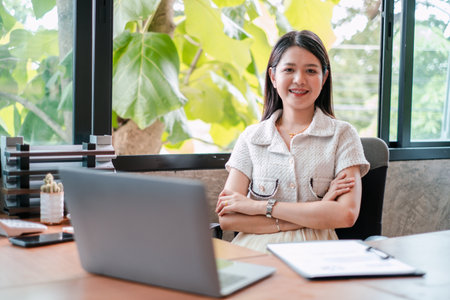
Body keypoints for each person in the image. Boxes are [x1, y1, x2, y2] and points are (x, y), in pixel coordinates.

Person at [215, 30, 370, 253]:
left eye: (311, 70)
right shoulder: (251, 138)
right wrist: (319, 208)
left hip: (318, 251)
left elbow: (345, 215)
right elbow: (228, 219)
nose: (299, 80)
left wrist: (259, 207)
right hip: (254, 250)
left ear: (324, 78)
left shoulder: (343, 135)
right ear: (273, 76)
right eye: (289, 69)